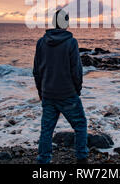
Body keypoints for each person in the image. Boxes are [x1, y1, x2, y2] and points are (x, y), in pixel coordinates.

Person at [33, 9, 88, 164]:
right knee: (80, 124)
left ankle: (43, 160)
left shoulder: (41, 42)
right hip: (67, 93)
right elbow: (76, 70)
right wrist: (77, 90)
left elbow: (36, 71)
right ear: (66, 23)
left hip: (48, 93)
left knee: (47, 130)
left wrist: (41, 92)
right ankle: (82, 158)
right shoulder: (71, 42)